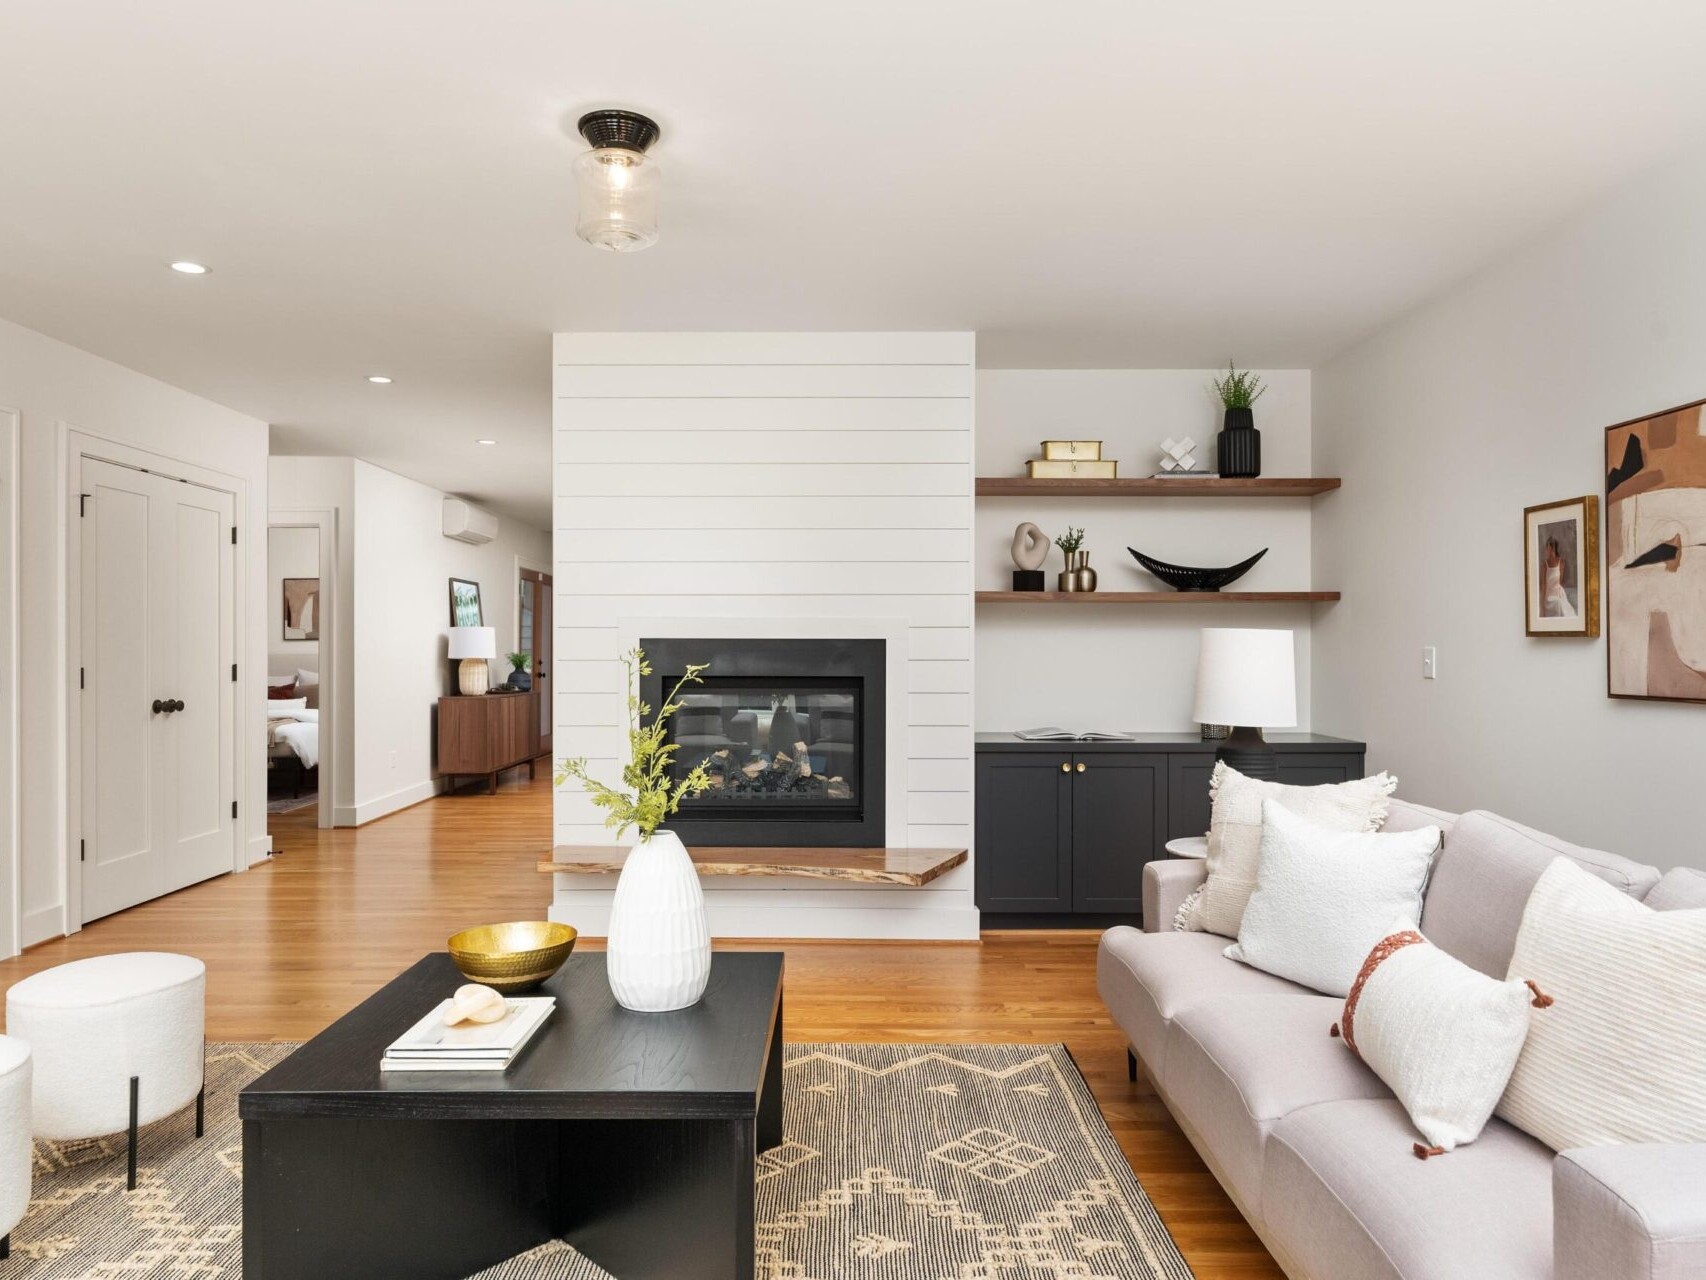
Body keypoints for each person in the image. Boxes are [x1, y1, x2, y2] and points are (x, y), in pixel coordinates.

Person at [1542, 538, 1576, 617]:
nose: (1549, 551)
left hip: (1559, 593)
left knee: (1564, 608)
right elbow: (1543, 584)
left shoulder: (1561, 562)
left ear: (1554, 549)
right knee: (1558, 603)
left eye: (1551, 549)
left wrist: (1558, 592)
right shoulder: (1544, 564)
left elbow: (1560, 581)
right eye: (1548, 549)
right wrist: (1542, 604)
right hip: (1549, 596)